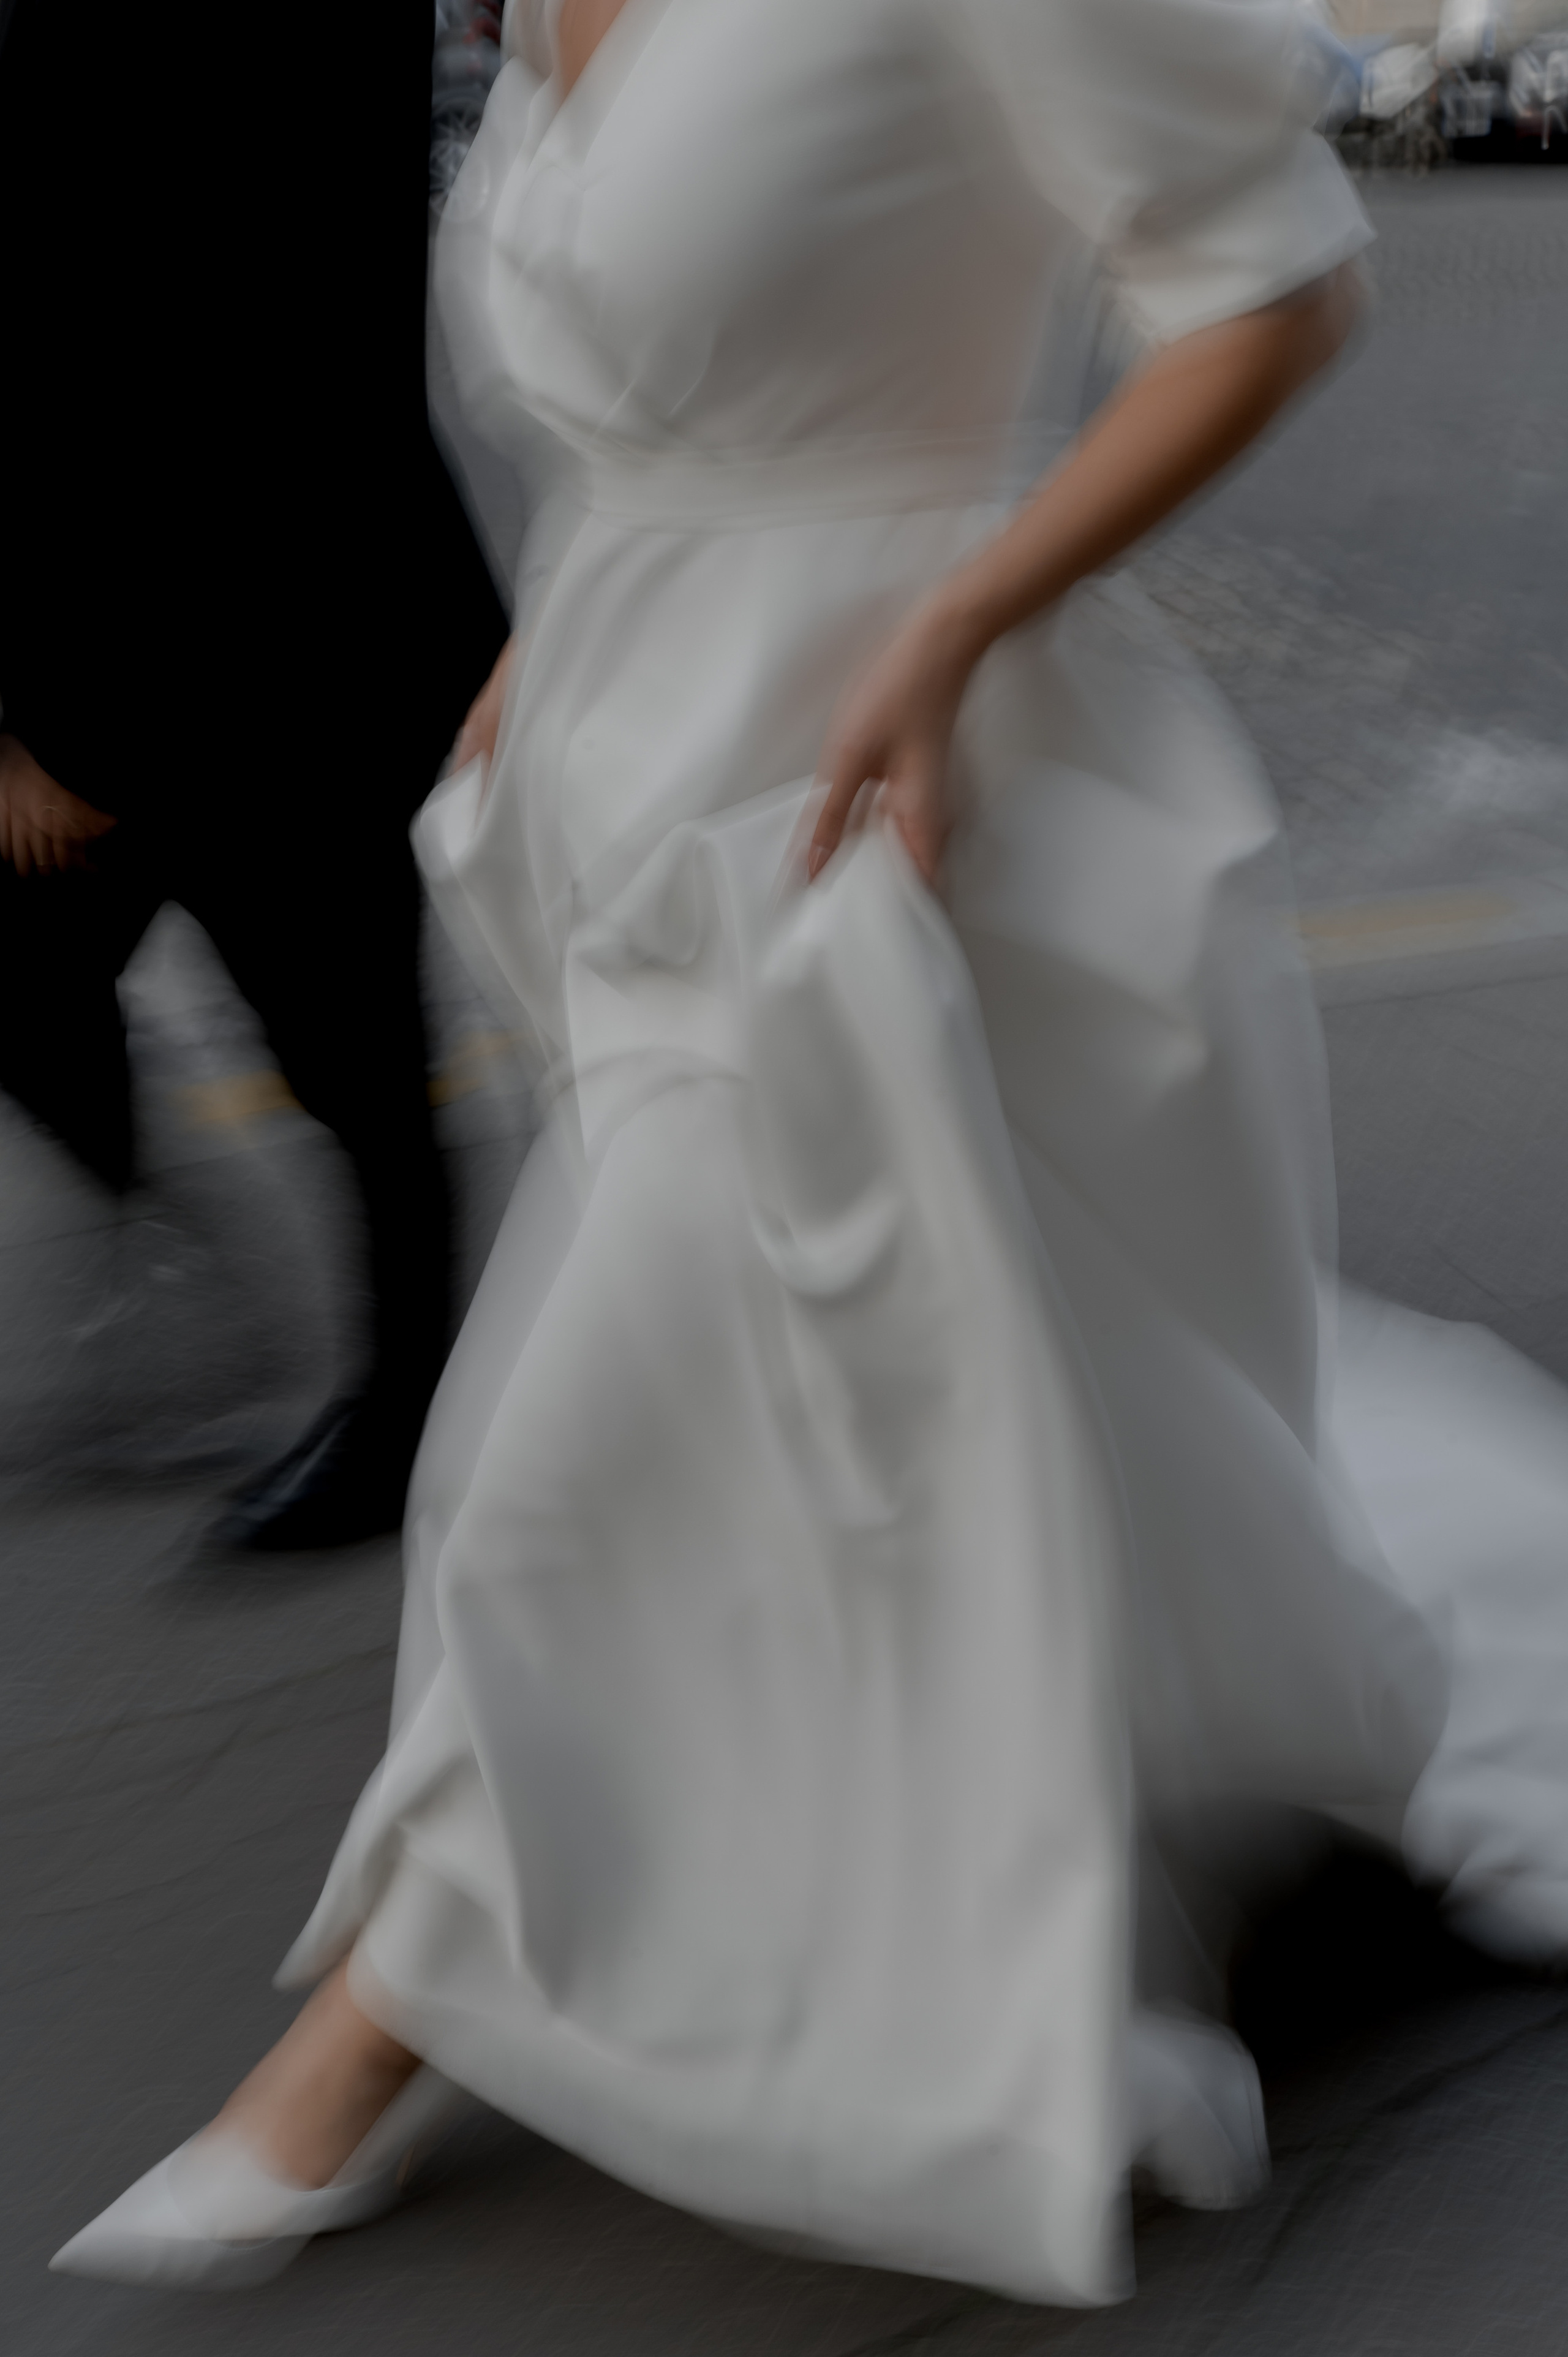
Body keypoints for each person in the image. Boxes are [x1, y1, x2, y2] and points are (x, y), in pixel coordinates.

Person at [50, 0, 1568, 2305]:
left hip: (886, 786)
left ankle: (388, 2012)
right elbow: (621, 396)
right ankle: (898, 1789)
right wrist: (553, 640)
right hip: (637, 763)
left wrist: (961, 616)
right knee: (843, 1381)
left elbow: (1274, 288)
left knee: (626, 1391)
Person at [0, 0, 511, 1549]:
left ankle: (413, 1408)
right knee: (51, 985)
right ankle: (212, 1279)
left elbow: (185, 347)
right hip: (163, 638)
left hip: (270, 632)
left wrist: (47, 720)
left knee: (353, 1052)